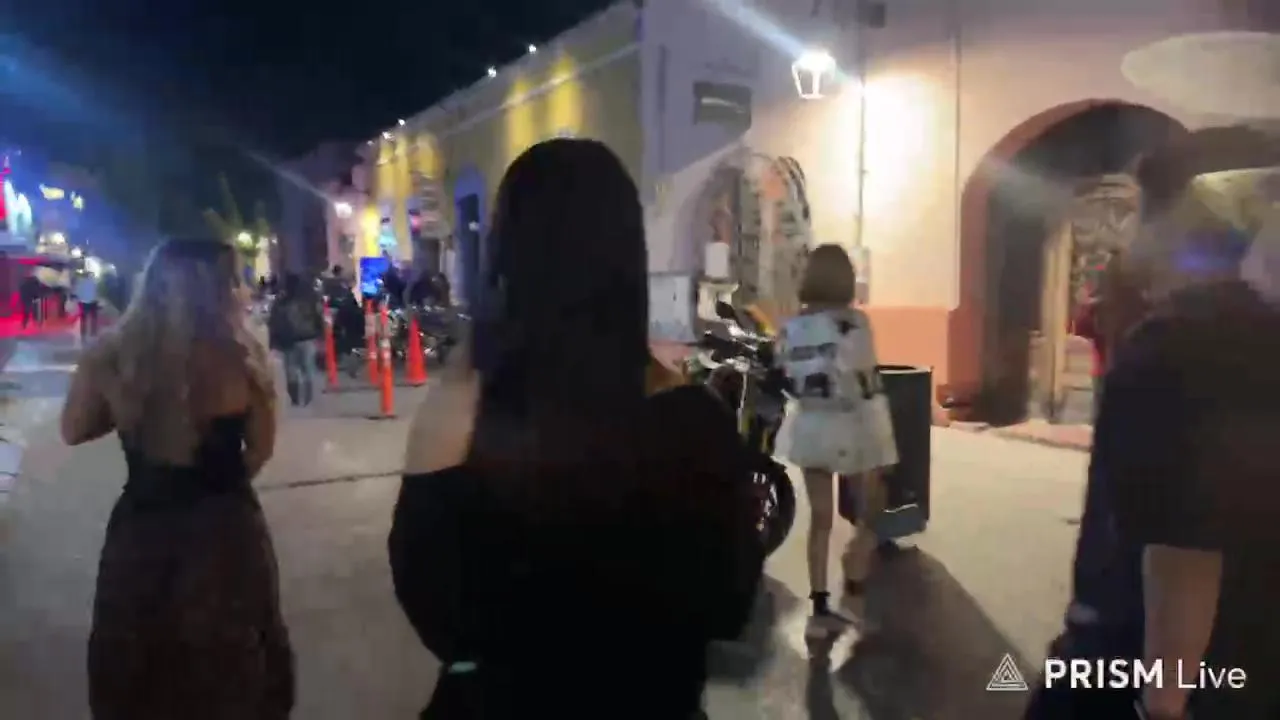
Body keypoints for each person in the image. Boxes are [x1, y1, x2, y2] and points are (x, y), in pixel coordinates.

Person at [388, 139, 763, 719]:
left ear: (506, 257)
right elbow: (730, 605)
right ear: (629, 258)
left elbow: (437, 617)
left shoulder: (460, 415)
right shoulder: (696, 423)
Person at [1026, 152, 1280, 720]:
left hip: (1135, 665)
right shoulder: (1259, 331)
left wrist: (1161, 704)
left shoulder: (1185, 341)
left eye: (1136, 213)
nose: (1127, 236)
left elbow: (1185, 545)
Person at [58, 238, 293, 719]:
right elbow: (261, 449)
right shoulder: (243, 356)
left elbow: (74, 429)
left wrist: (132, 410)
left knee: (143, 663)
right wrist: (223, 484)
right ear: (219, 288)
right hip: (227, 529)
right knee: (231, 664)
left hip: (144, 530)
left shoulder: (112, 356)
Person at [779, 243, 898, 639]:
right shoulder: (856, 323)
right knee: (870, 509)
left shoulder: (792, 327)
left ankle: (819, 611)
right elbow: (867, 385)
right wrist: (885, 443)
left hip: (811, 428)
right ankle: (855, 576)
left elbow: (787, 376)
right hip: (852, 428)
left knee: (821, 519)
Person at [268, 272, 324, 407]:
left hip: (288, 340)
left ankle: (295, 399)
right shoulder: (309, 298)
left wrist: (273, 341)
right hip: (307, 337)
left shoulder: (281, 301)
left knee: (291, 370)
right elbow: (317, 316)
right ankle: (308, 398)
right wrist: (320, 333)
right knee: (308, 369)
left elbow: (274, 321)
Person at [74, 270, 101, 339]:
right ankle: (93, 332)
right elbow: (96, 292)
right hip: (93, 302)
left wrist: (78, 300)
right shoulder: (94, 282)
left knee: (83, 318)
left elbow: (77, 293)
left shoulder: (80, 283)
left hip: (83, 302)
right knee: (93, 317)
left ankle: (83, 333)